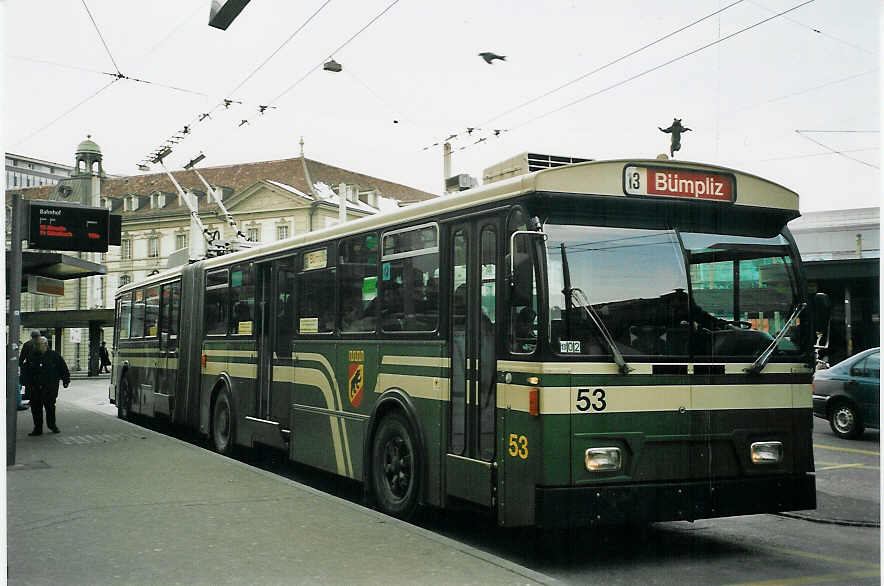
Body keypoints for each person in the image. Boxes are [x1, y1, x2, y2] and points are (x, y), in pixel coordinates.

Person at [22, 337, 70, 436]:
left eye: (39, 344)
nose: (37, 346)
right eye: (36, 344)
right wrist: (24, 381)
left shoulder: (54, 355)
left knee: (50, 407)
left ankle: (52, 425)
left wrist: (66, 380)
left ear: (45, 345)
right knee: (36, 408)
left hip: (49, 387)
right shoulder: (32, 356)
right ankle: (38, 428)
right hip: (35, 387)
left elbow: (63, 368)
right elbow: (26, 370)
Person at [18, 330, 41, 409]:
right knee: (37, 384)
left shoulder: (27, 344)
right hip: (39, 368)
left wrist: (21, 365)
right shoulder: (42, 344)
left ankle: (31, 398)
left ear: (31, 336)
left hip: (29, 368)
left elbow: (22, 357)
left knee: (29, 384)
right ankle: (36, 399)